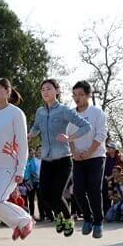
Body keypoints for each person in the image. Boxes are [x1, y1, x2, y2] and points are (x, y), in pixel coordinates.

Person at [28, 79, 91, 237]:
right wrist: (30, 134)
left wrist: (70, 137)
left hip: (63, 160)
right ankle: (59, 216)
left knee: (56, 195)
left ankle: (68, 219)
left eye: (49, 89)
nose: (45, 92)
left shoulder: (63, 110)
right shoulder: (40, 112)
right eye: (43, 89)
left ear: (57, 90)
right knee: (44, 195)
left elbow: (86, 126)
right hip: (47, 160)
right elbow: (36, 127)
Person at [0, 78, 34, 240]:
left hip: (9, 166)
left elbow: (22, 143)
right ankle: (18, 224)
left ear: (7, 91)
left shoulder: (16, 113)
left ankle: (25, 220)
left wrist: (21, 169)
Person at [68, 81, 108, 239]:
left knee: (93, 190)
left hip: (96, 156)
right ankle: (87, 218)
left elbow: (101, 134)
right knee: (77, 191)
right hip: (78, 158)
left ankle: (98, 222)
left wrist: (90, 152)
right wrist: (74, 153)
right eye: (74, 95)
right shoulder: (71, 114)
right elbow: (69, 136)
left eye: (81, 94)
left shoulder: (97, 112)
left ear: (88, 95)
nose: (77, 98)